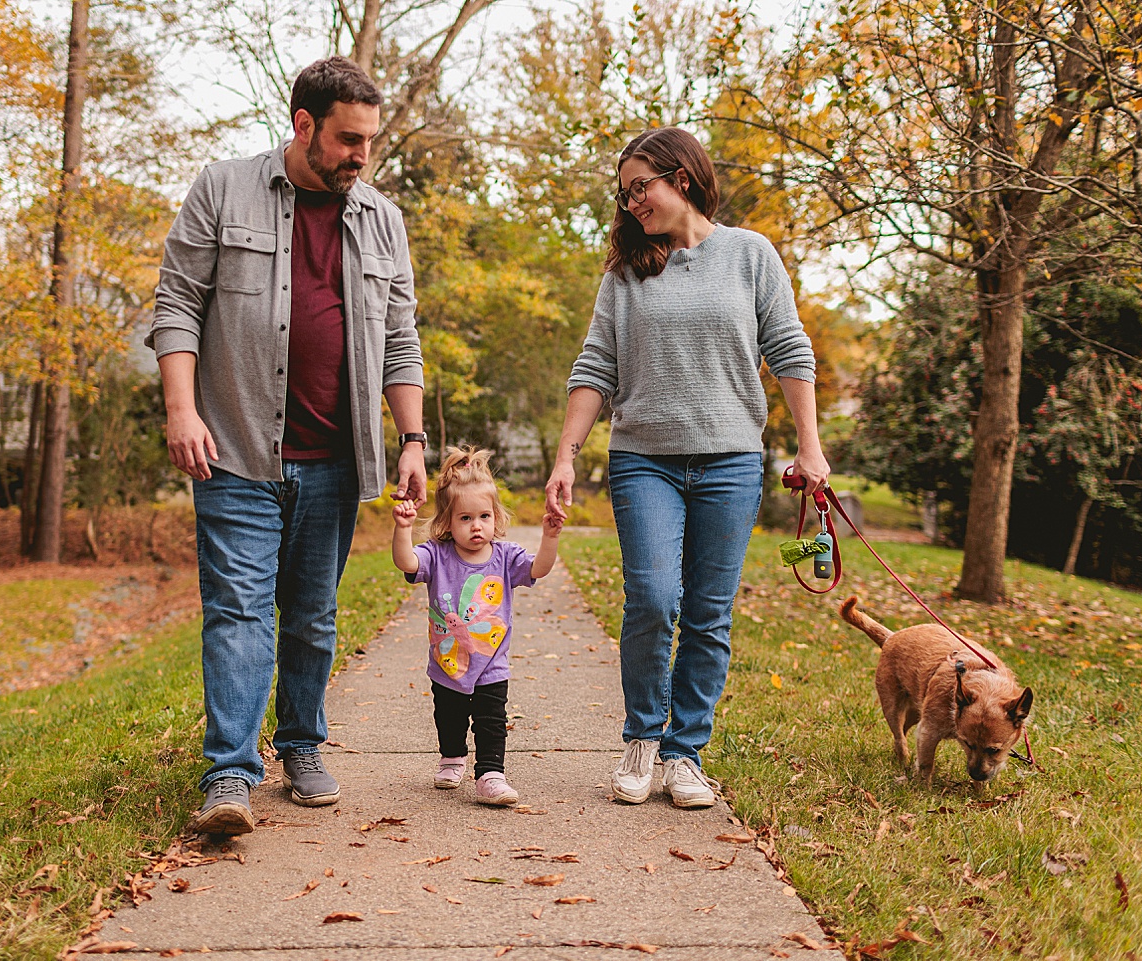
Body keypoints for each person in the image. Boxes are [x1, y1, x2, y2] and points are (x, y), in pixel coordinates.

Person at [147, 56, 428, 837]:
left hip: (336, 456)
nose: (361, 156)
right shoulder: (223, 187)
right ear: (303, 125)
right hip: (235, 446)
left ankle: (301, 745)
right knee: (237, 610)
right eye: (347, 139)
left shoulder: (381, 218)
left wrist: (411, 436)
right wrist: (181, 410)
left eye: (370, 141)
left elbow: (400, 337)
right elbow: (176, 304)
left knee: (311, 613)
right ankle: (230, 774)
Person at [544, 127, 829, 810]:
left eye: (641, 186)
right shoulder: (625, 272)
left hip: (732, 459)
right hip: (644, 458)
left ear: (684, 176)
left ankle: (684, 752)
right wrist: (565, 455)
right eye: (625, 194)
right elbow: (596, 367)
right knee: (652, 596)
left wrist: (810, 446)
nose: (633, 202)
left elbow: (789, 347)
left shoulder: (749, 254)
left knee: (707, 611)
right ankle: (643, 737)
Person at [391, 447, 562, 806]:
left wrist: (550, 538)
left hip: (491, 661)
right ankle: (452, 757)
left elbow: (538, 570)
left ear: (495, 516)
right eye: (465, 518)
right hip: (447, 660)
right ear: (447, 522)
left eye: (484, 516)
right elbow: (405, 562)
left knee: (491, 719)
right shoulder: (437, 553)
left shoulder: (506, 556)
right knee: (449, 715)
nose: (476, 526)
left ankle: (490, 774)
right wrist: (403, 529)